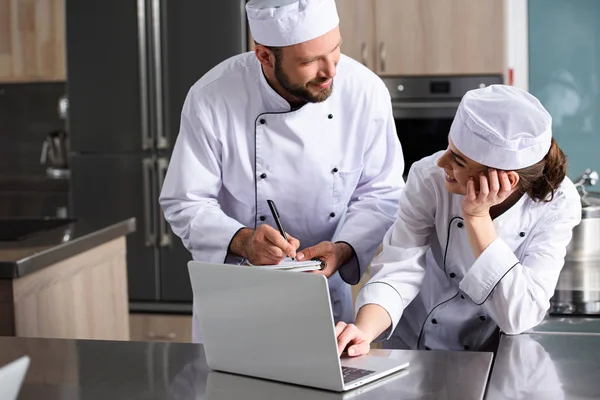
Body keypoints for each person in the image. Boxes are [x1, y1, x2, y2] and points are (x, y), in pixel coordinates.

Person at [159, 0, 405, 343]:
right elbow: (185, 201)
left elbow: (381, 193)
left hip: (324, 297)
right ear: (264, 56)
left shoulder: (365, 92)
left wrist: (343, 249)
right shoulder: (212, 97)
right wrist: (244, 241)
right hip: (237, 301)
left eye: (335, 50)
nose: (330, 71)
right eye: (309, 61)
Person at [335, 84, 582, 355]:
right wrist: (364, 331)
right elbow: (399, 268)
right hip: (414, 347)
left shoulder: (558, 203)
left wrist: (477, 218)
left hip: (491, 356)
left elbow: (519, 316)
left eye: (459, 161)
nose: (442, 163)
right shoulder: (429, 178)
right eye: (449, 148)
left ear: (506, 180)